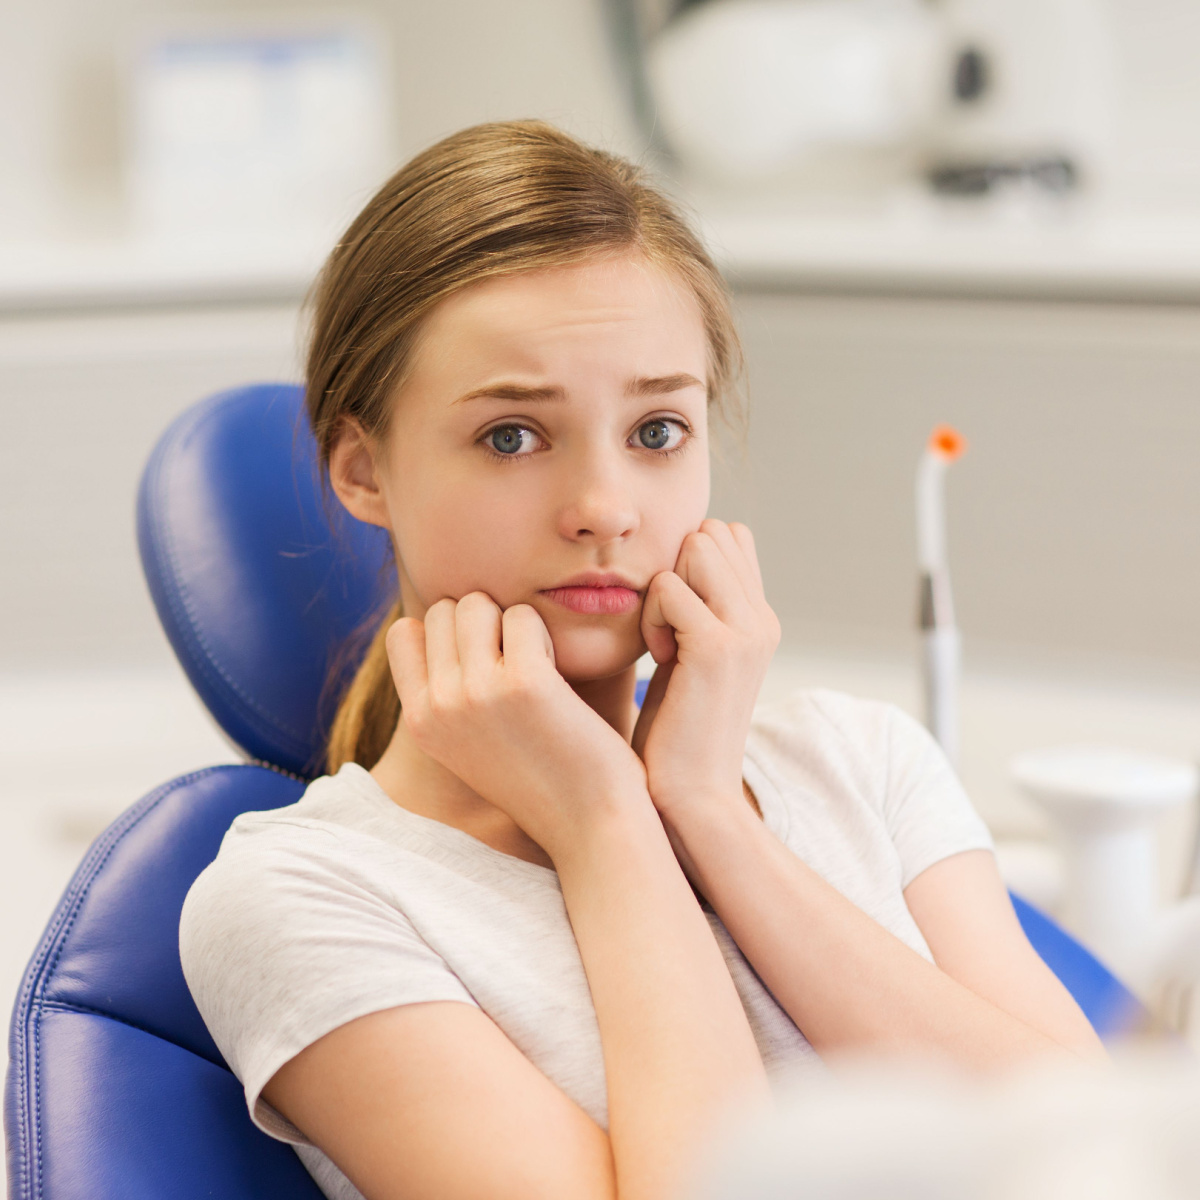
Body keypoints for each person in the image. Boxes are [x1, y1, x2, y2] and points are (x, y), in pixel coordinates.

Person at [179, 120, 1105, 1200]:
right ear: (362, 470)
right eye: (512, 436)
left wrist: (709, 815)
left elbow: (1095, 1155)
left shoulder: (863, 761)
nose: (605, 509)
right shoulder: (301, 899)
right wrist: (607, 820)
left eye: (658, 430)